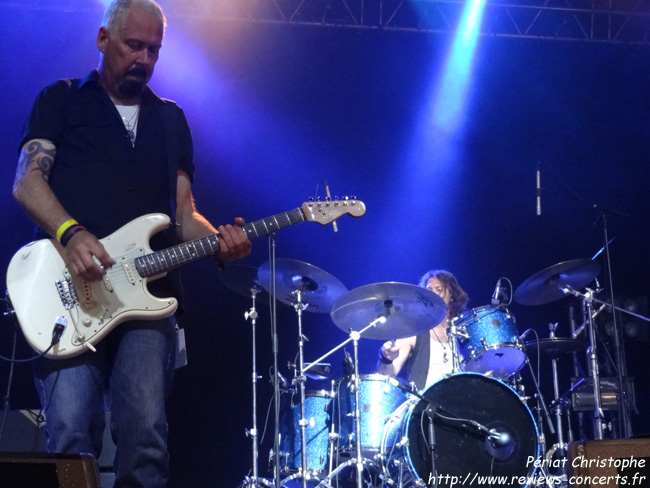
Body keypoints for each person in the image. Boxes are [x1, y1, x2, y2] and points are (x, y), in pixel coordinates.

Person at [12, 1, 251, 486]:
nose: (143, 58)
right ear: (103, 40)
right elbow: (26, 182)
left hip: (147, 305)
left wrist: (221, 242)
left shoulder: (170, 120)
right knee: (69, 431)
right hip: (68, 296)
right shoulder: (60, 99)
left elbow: (182, 215)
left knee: (145, 436)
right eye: (133, 45)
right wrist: (70, 232)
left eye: (154, 50)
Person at [377, 269, 469, 391]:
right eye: (429, 290)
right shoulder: (413, 331)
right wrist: (386, 359)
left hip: (461, 403)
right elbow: (387, 376)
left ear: (451, 297)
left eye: (439, 290)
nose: (433, 295)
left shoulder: (463, 331)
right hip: (426, 405)